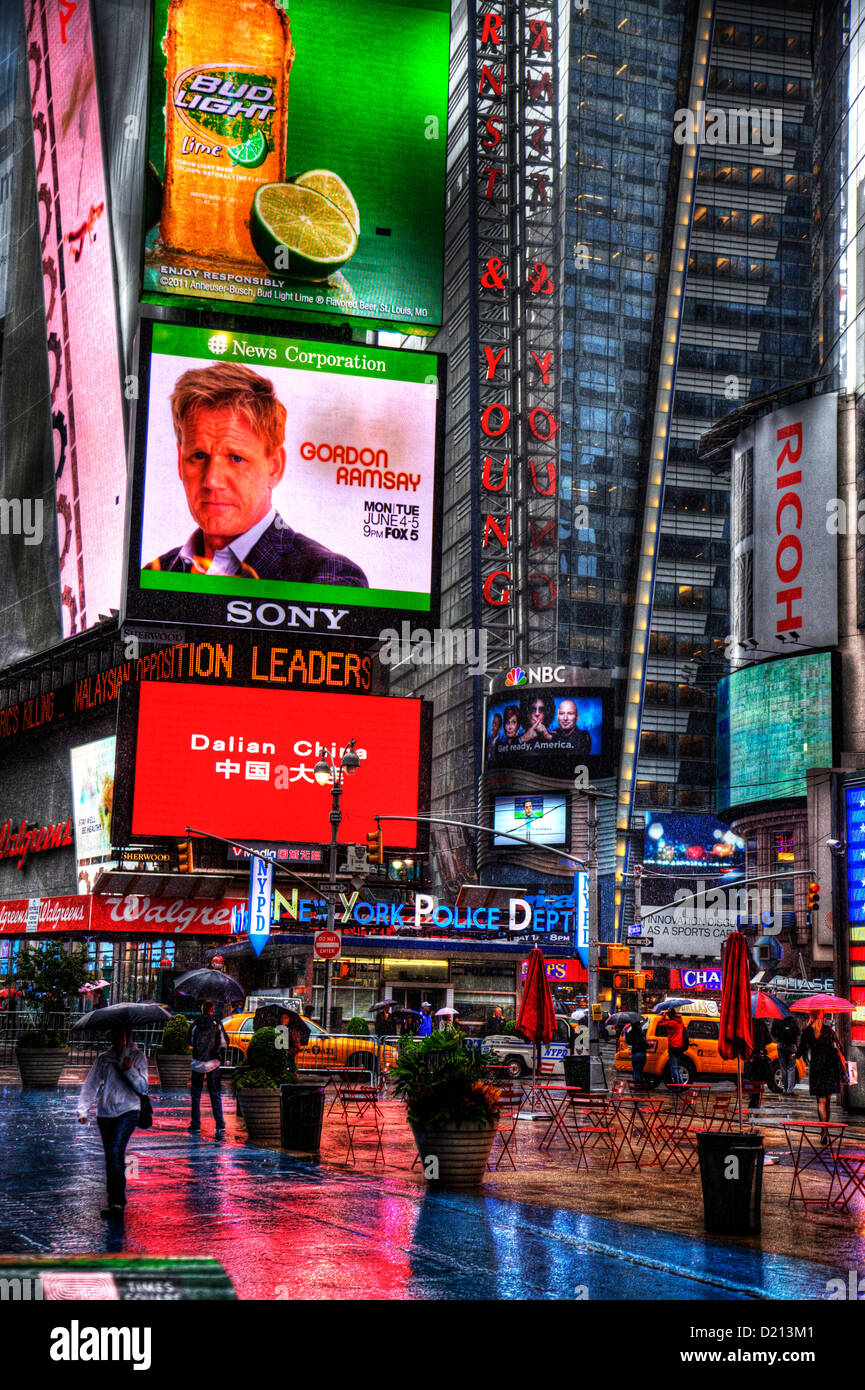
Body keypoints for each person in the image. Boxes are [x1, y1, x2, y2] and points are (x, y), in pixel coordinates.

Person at [145, 362, 368, 586]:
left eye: (236, 458)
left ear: (275, 467)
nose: (212, 480)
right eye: (199, 456)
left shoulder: (328, 577)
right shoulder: (156, 573)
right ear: (179, 460)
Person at [77, 1025, 148, 1218]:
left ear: (128, 1036)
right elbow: (91, 1084)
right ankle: (114, 1198)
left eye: (122, 1036)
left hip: (129, 1110)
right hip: (106, 1113)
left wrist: (130, 1070)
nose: (118, 1040)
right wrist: (83, 1109)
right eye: (115, 1036)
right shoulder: (104, 1059)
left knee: (116, 1150)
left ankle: (117, 1202)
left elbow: (143, 1087)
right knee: (111, 1156)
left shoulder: (137, 1057)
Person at [797, 1011, 847, 1139]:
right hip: (830, 1067)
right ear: (823, 1016)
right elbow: (839, 1046)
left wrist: (795, 1056)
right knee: (828, 1100)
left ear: (811, 1016)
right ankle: (827, 1127)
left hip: (817, 1067)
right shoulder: (828, 1030)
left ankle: (823, 1129)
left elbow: (801, 1049)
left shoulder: (808, 1031)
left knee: (820, 1101)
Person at [189, 1000, 228, 1137]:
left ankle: (195, 1123)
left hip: (197, 1063)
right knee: (215, 1094)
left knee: (196, 1095)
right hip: (213, 1063)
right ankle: (220, 1123)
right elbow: (224, 1043)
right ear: (212, 1009)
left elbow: (190, 1041)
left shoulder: (195, 1024)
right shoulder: (217, 1024)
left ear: (202, 1009)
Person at [744, 1016, 771, 1110]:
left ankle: (753, 1097)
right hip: (760, 1057)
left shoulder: (748, 1026)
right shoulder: (762, 1025)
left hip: (751, 1056)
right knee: (757, 1083)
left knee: (747, 1078)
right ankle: (755, 1107)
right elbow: (769, 1039)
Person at [771, 1013, 800, 1095]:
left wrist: (778, 1036)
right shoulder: (792, 1018)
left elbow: (773, 1032)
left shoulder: (777, 1019)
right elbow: (798, 1032)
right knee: (791, 1068)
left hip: (781, 1045)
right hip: (791, 1045)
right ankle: (790, 1090)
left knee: (783, 1067)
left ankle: (784, 1088)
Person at [663, 1008, 691, 1085]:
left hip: (673, 1047)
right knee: (676, 1067)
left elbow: (661, 1023)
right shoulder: (680, 1023)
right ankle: (681, 1084)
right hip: (679, 1048)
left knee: (674, 1068)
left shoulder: (671, 1023)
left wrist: (664, 1015)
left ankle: (678, 1085)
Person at [626, 1018, 647, 1088]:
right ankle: (640, 1084)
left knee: (636, 1070)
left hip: (636, 1053)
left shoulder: (631, 1033)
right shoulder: (642, 1032)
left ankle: (637, 1085)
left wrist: (627, 1033)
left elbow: (628, 1042)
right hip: (643, 1054)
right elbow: (646, 1043)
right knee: (641, 1070)